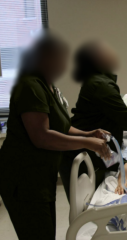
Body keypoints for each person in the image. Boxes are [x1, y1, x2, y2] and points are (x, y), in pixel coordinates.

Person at [0, 32, 111, 240]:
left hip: (42, 176)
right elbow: (41, 136)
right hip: (23, 179)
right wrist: (88, 143)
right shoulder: (30, 86)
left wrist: (89, 133)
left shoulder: (49, 86)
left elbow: (62, 126)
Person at [60, 40, 127, 201]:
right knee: (87, 200)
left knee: (107, 179)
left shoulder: (99, 81)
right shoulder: (100, 85)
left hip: (98, 148)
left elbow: (117, 117)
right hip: (86, 151)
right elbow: (125, 119)